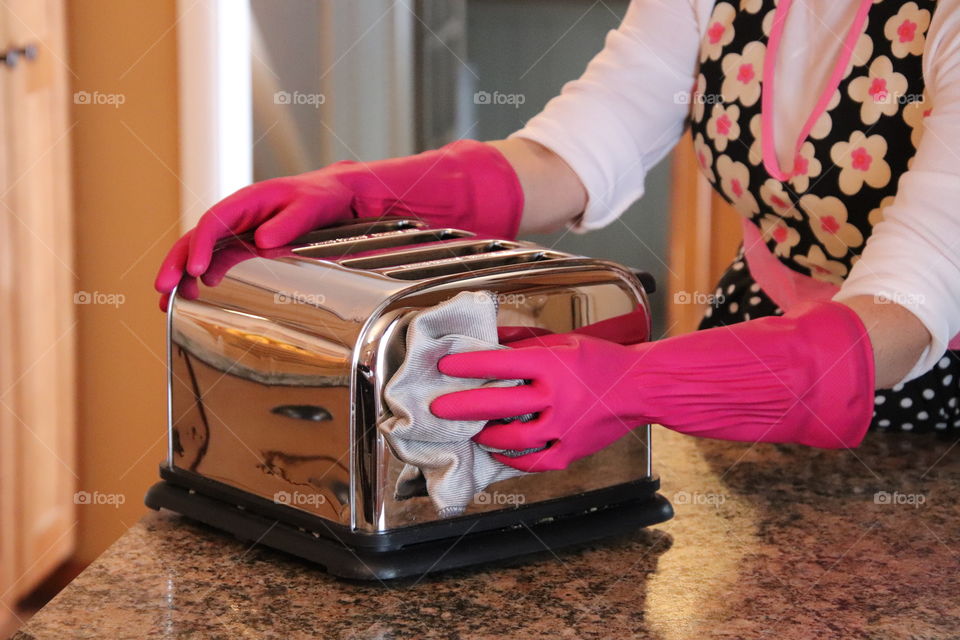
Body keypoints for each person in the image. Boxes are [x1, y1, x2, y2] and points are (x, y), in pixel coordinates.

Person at [156, 0, 960, 472]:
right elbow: (574, 152)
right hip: (759, 346)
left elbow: (906, 312)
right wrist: (366, 192)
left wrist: (633, 384)